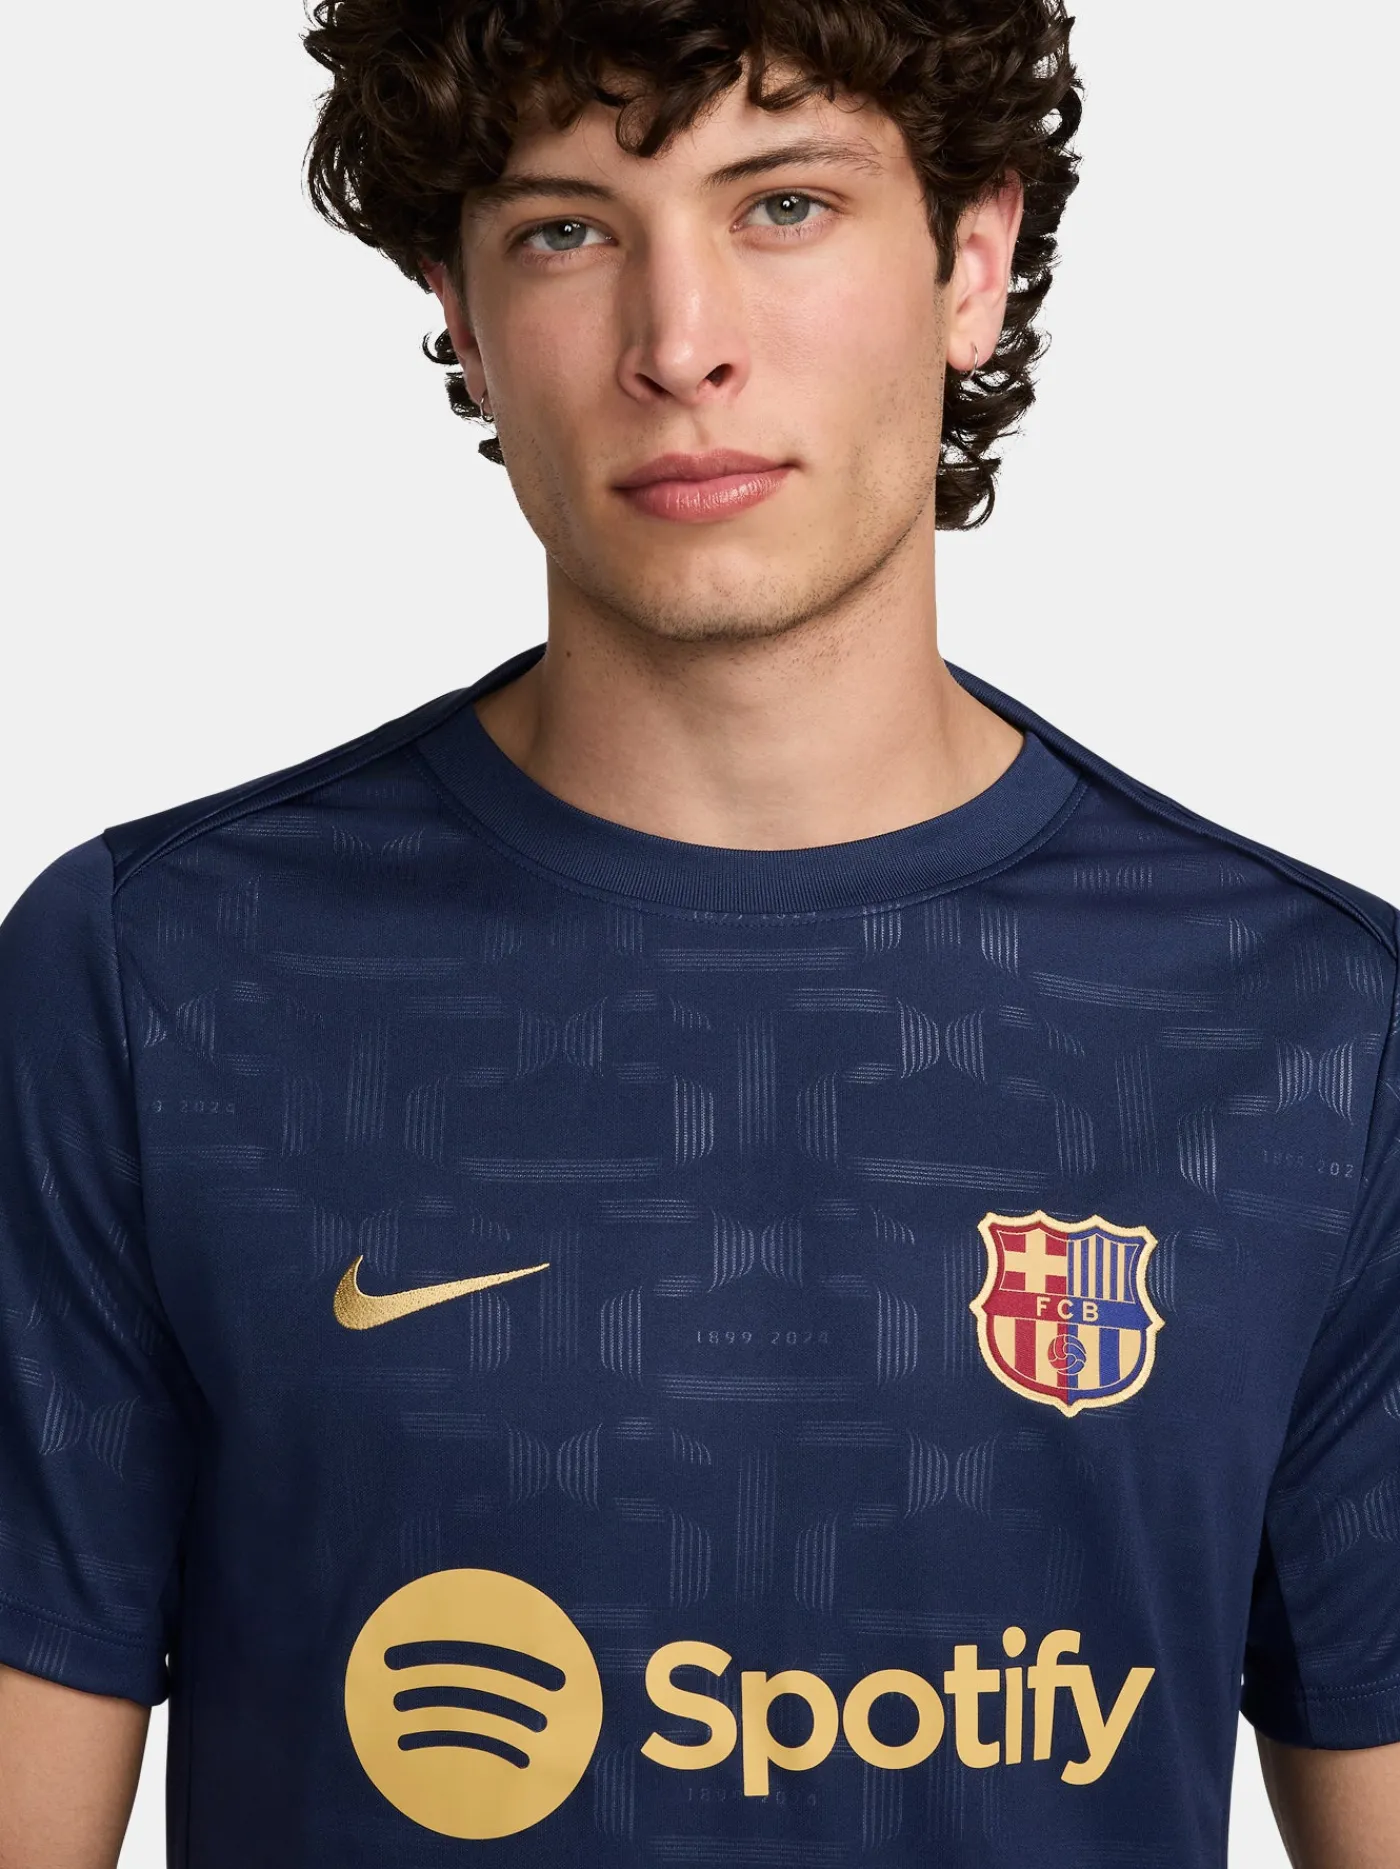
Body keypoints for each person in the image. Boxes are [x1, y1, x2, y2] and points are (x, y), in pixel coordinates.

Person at [0, 1, 1396, 1864]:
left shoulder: (1314, 1027)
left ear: (972, 261)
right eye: (566, 230)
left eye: (784, 204)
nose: (679, 344)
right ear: (460, 312)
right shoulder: (157, 982)